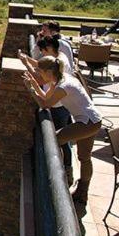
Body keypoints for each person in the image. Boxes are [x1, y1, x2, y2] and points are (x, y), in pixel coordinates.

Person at [23, 56, 102, 205]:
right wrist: (34, 84)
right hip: (94, 120)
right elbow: (46, 96)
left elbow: (45, 105)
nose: (39, 75)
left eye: (40, 72)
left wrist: (30, 89)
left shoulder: (62, 87)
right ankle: (82, 192)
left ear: (48, 71)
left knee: (54, 141)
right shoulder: (61, 78)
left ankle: (57, 180)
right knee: (84, 158)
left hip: (88, 122)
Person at [21, 36, 75, 183]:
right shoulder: (56, 74)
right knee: (60, 140)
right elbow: (45, 92)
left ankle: (63, 174)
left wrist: (31, 86)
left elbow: (44, 102)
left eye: (43, 51)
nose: (42, 54)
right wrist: (33, 82)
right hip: (63, 108)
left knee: (59, 141)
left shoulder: (60, 79)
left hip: (67, 111)